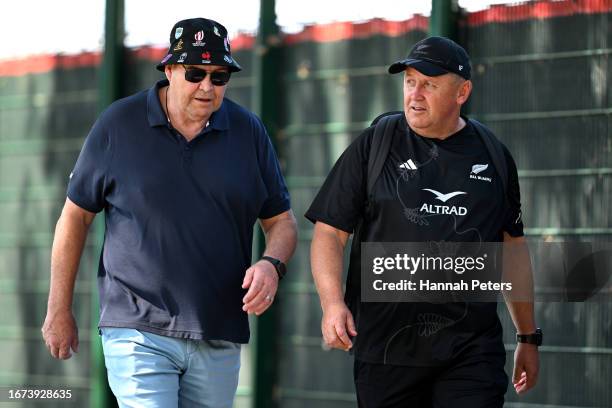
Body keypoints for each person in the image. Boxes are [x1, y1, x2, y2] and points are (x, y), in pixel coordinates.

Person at [41, 17, 297, 408]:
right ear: (171, 70)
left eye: (219, 76)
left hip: (219, 331)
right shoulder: (118, 125)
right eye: (195, 73)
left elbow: (281, 222)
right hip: (136, 329)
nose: (207, 86)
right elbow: (75, 218)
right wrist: (58, 309)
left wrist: (271, 264)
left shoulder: (249, 132)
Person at [306, 36, 540, 407]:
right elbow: (330, 232)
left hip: (470, 352)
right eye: (410, 81)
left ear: (462, 92)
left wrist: (527, 336)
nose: (415, 94)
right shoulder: (375, 145)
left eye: (429, 84)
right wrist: (332, 303)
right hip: (386, 351)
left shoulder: (493, 155)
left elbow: (512, 249)